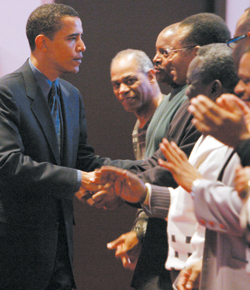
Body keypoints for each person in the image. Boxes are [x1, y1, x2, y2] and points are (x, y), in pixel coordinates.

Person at [0, 3, 134, 289]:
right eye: (73, 38)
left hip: (61, 252)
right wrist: (77, 179)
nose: (83, 47)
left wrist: (135, 171)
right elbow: (8, 163)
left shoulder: (72, 95)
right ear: (43, 43)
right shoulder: (7, 92)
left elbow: (82, 159)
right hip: (15, 254)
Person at [90, 42, 238, 289]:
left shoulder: (235, 141)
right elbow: (190, 202)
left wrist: (197, 185)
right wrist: (143, 193)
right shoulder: (207, 134)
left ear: (215, 88)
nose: (186, 95)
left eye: (191, 86)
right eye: (116, 84)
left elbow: (235, 209)